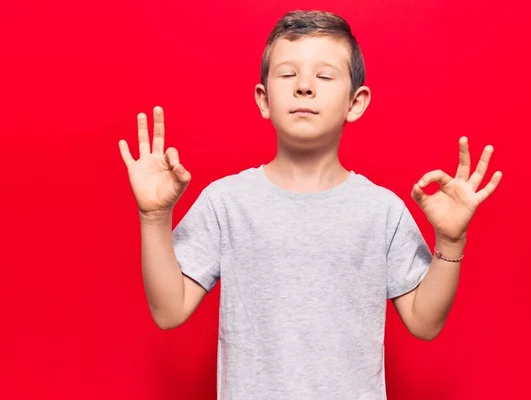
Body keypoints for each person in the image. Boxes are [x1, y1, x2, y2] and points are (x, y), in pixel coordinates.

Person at [118, 9, 502, 400]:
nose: (304, 87)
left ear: (356, 102)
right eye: (288, 74)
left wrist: (451, 243)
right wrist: (154, 217)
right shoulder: (226, 202)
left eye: (323, 76)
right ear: (263, 99)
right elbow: (169, 311)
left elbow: (425, 322)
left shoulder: (380, 210)